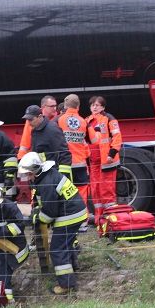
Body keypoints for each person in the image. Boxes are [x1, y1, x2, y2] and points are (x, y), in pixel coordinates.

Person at [17, 152, 87, 295]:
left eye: (28, 174)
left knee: (57, 249)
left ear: (34, 171)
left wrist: (36, 219)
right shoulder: (47, 175)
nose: (27, 178)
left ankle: (66, 284)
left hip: (69, 215)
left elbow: (50, 213)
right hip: (75, 211)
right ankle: (72, 269)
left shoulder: (46, 183)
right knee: (66, 244)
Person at [85, 96, 122, 227]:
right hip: (93, 161)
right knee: (95, 191)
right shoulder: (87, 121)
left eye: (97, 105)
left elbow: (117, 137)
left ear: (103, 107)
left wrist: (112, 153)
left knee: (107, 191)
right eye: (92, 105)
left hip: (107, 161)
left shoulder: (109, 119)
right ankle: (99, 221)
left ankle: (111, 221)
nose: (94, 107)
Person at [57, 94, 91, 230]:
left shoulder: (59, 120)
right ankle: (83, 223)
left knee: (65, 193)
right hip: (81, 164)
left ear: (65, 106)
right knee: (82, 193)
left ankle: (69, 222)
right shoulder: (83, 121)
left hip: (65, 164)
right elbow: (91, 141)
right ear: (78, 106)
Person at [22, 104, 72, 179]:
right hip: (43, 174)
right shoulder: (35, 131)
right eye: (28, 120)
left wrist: (63, 176)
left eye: (31, 120)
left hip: (54, 174)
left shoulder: (52, 130)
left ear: (40, 116)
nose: (29, 123)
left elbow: (64, 153)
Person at [17, 95, 59, 159]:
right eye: (52, 106)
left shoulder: (59, 119)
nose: (55, 108)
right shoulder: (32, 120)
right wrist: (20, 159)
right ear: (43, 107)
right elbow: (25, 143)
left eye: (55, 106)